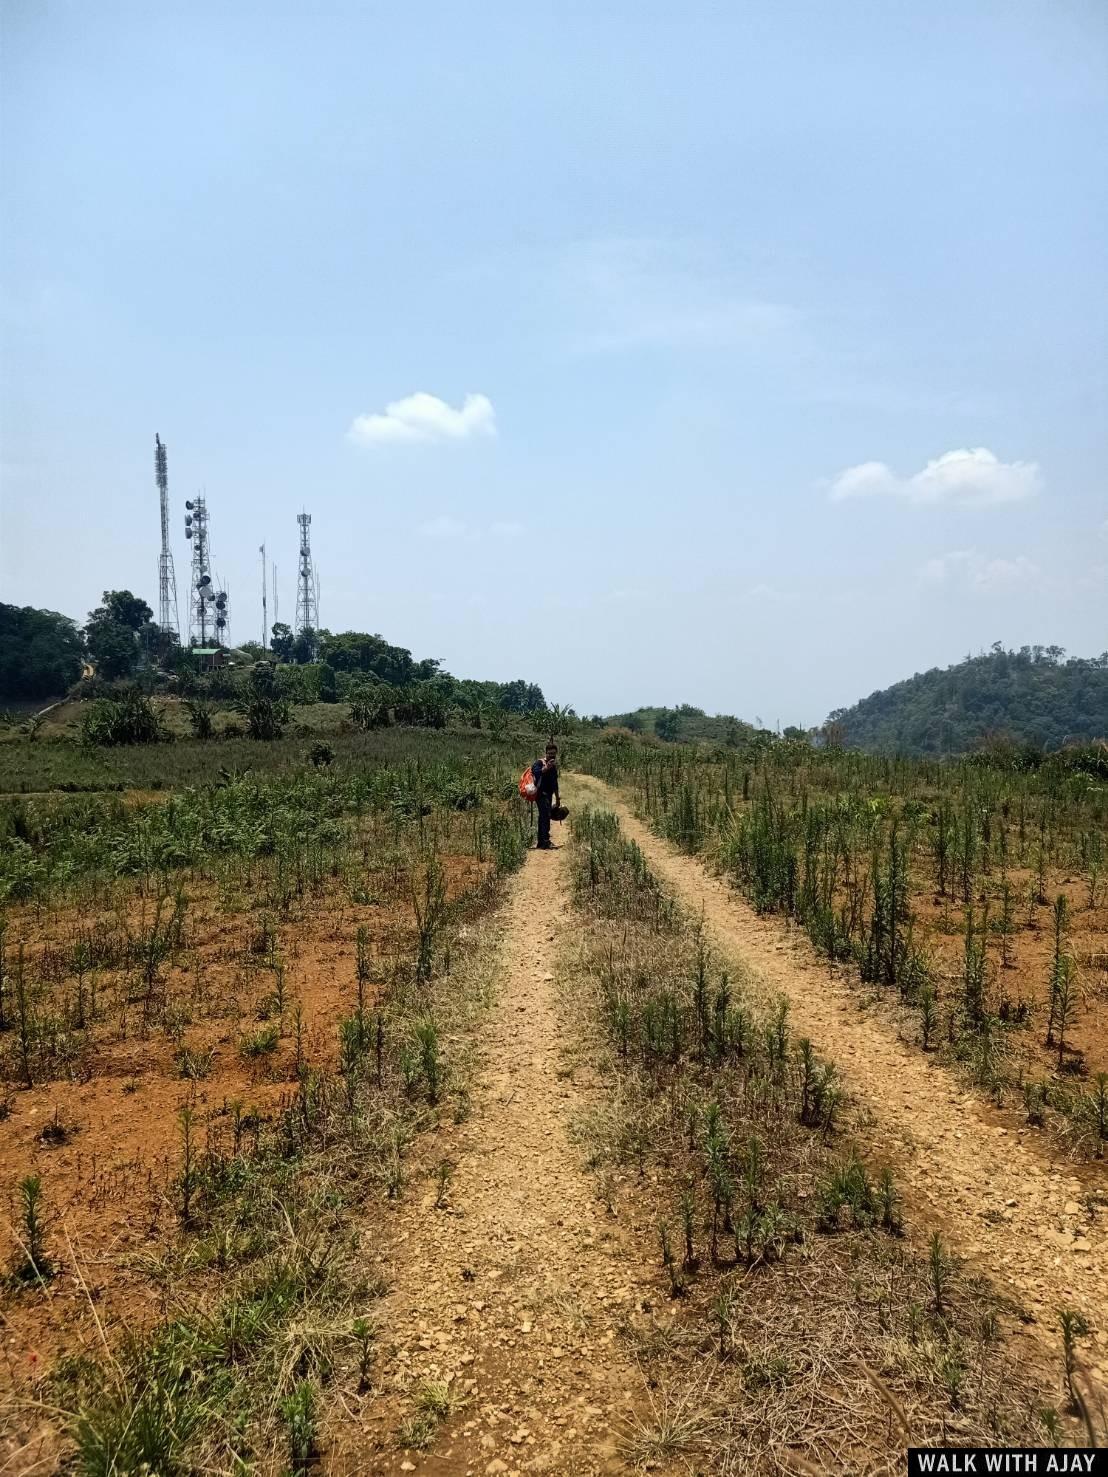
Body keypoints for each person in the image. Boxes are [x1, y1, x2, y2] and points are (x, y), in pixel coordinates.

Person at [531, 741, 561, 850]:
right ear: (546, 753)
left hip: (548, 795)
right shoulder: (539, 763)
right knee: (545, 816)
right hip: (540, 794)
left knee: (543, 817)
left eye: (554, 754)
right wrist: (546, 768)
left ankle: (541, 841)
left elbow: (555, 783)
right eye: (550, 753)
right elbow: (535, 772)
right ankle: (545, 841)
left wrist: (557, 798)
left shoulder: (553, 767)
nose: (552, 755)